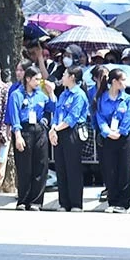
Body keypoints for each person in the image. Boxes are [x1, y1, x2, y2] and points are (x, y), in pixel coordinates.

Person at [8, 66, 53, 211]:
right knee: (24, 167)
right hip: (24, 129)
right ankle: (23, 199)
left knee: (40, 165)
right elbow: (14, 115)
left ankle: (36, 201)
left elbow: (51, 107)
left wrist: (51, 93)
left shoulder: (41, 94)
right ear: (28, 79)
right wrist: (17, 134)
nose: (39, 82)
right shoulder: (17, 94)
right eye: (36, 79)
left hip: (39, 130)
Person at [94, 68, 130, 213]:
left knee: (125, 169)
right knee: (110, 170)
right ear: (114, 82)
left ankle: (124, 203)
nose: (125, 83)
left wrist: (120, 132)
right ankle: (112, 201)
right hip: (108, 138)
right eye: (123, 80)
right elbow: (99, 117)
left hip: (123, 138)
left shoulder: (127, 99)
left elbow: (129, 118)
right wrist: (107, 131)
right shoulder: (101, 98)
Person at [49, 64, 90, 211]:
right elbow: (57, 113)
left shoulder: (79, 95)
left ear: (72, 77)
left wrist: (56, 128)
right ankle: (63, 202)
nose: (62, 77)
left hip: (72, 132)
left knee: (73, 168)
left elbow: (72, 117)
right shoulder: (63, 94)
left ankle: (75, 203)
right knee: (61, 167)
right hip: (59, 130)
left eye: (65, 74)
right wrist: (53, 129)